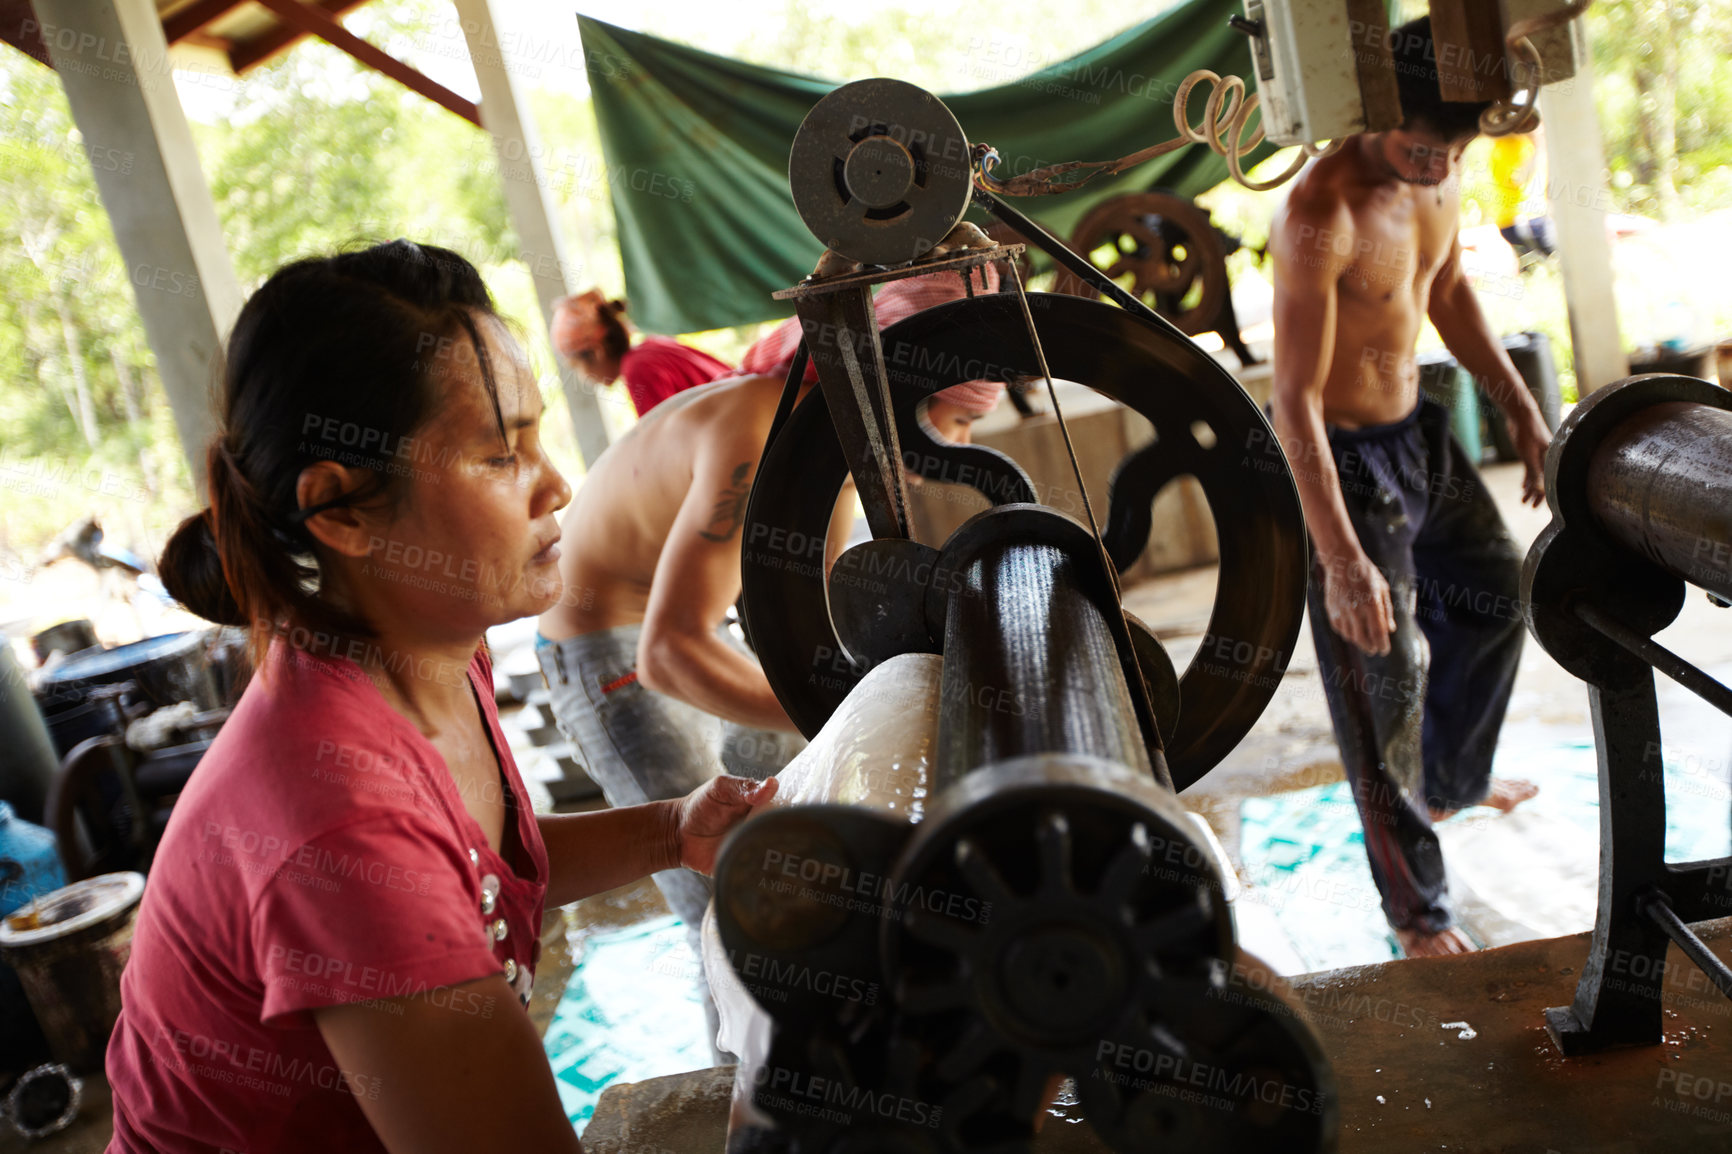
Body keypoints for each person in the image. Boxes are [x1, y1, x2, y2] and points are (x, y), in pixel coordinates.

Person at [107, 240, 773, 1152]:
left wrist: (673, 830)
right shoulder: (338, 815)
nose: (557, 485)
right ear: (340, 509)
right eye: (502, 456)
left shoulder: (429, 654)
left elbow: (470, 874)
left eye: (538, 439)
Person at [535, 268, 1006, 1044]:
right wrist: (850, 718)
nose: (958, 446)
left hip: (673, 628)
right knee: (722, 899)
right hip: (608, 653)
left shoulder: (817, 441)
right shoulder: (758, 433)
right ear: (896, 392)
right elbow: (669, 655)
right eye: (952, 423)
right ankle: (753, 1095)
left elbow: (807, 627)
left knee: (779, 836)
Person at [1268, 17, 1548, 959]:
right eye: (1422, 149)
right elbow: (1293, 402)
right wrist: (1342, 558)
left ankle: (1452, 784)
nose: (1437, 170)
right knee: (1378, 684)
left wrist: (1519, 406)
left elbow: (1447, 286)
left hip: (1416, 432)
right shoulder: (1322, 210)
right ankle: (1418, 916)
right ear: (1376, 112)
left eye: (1454, 152)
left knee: (1498, 598)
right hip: (1341, 460)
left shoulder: (1440, 169)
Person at [551, 290, 733, 416]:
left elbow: (668, 448)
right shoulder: (651, 348)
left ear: (597, 352)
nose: (583, 378)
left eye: (577, 367)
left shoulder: (638, 370)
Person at [1489, 128, 1556, 262]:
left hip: (1532, 218)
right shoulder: (1508, 144)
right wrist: (1537, 147)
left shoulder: (1523, 143)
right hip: (1518, 221)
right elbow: (1518, 178)